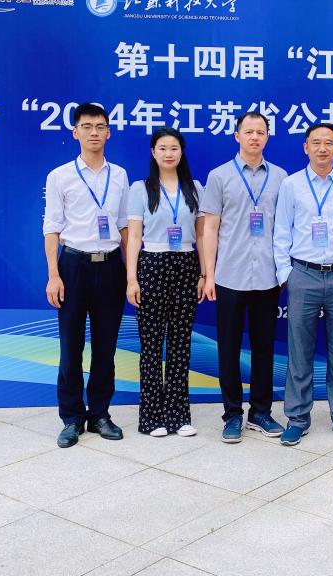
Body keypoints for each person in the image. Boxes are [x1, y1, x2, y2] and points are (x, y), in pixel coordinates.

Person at [272, 123, 333, 447]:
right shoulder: (291, 185)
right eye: (316, 142)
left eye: (329, 143)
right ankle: (298, 418)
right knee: (299, 351)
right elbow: (281, 231)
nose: (322, 148)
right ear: (306, 147)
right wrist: (286, 275)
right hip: (303, 274)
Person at [43, 103, 130, 449]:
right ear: (75, 132)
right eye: (87, 126)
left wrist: (130, 273)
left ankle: (100, 414)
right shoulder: (59, 176)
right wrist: (53, 275)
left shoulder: (119, 175)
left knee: (106, 348)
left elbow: (124, 227)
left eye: (100, 126)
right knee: (71, 348)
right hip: (73, 267)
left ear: (108, 132)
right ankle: (72, 418)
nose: (94, 132)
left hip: (111, 267)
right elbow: (52, 228)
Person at [201, 112, 288, 443]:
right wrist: (209, 274)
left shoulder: (280, 177)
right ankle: (233, 414)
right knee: (229, 348)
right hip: (229, 276)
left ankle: (261, 412)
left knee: (265, 348)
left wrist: (284, 270)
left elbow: (286, 227)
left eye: (260, 132)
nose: (255, 137)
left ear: (267, 137)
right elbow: (210, 228)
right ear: (237, 136)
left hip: (267, 277)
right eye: (248, 132)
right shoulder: (219, 176)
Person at [125, 128, 206, 438]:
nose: (169, 153)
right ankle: (151, 418)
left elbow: (202, 235)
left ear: (181, 152)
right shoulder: (141, 188)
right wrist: (131, 278)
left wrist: (203, 274)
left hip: (186, 265)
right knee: (151, 344)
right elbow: (134, 236)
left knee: (180, 343)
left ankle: (178, 416)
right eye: (162, 148)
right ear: (153, 152)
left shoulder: (195, 188)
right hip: (152, 264)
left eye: (174, 148)